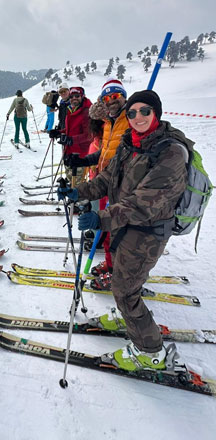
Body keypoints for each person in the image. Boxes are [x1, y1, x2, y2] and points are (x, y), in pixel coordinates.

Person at [57, 90, 190, 372]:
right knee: (121, 277)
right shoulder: (130, 142)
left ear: (157, 113)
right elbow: (107, 178)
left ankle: (150, 351)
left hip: (147, 232)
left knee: (125, 289)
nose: (137, 117)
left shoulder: (171, 152)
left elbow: (145, 203)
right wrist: (78, 191)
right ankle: (125, 318)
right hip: (123, 225)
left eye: (145, 111)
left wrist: (100, 219)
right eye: (132, 113)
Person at [64, 79, 130, 288]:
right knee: (107, 227)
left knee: (117, 231)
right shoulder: (109, 123)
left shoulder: (129, 120)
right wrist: (84, 160)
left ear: (124, 98)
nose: (112, 101)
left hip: (123, 184)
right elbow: (106, 153)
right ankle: (111, 264)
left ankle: (118, 273)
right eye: (107, 97)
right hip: (105, 180)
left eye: (116, 96)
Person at [61, 86, 93, 187]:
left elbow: (89, 135)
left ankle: (79, 200)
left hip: (80, 154)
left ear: (82, 96)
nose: (74, 98)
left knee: (78, 183)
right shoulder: (70, 109)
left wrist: (71, 140)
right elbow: (69, 129)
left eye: (77, 96)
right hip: (69, 150)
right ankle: (73, 197)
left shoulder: (86, 112)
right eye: (71, 96)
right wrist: (58, 132)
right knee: (70, 177)